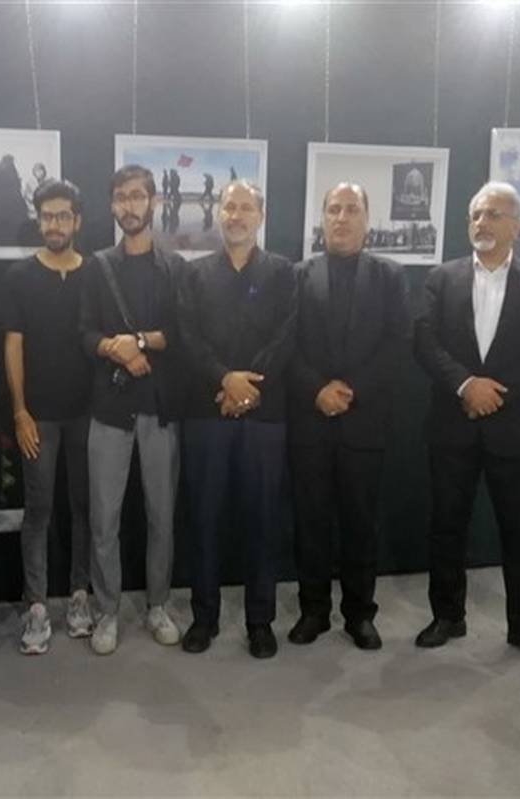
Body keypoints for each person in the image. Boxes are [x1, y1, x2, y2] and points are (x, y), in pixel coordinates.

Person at [412, 181, 520, 667]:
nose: (481, 223)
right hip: (452, 421)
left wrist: (496, 392)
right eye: (475, 215)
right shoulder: (442, 278)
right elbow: (424, 341)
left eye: (493, 215)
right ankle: (447, 616)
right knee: (446, 526)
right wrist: (466, 386)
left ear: (516, 226)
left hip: (512, 426)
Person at [285, 183, 410, 651]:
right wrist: (317, 390)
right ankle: (313, 611)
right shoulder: (298, 276)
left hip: (364, 421)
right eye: (333, 209)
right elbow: (286, 344)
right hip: (310, 420)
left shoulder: (390, 276)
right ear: (322, 218)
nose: (341, 217)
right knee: (310, 522)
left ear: (366, 219)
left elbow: (397, 343)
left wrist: (350, 392)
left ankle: (360, 614)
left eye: (351, 209)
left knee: (361, 524)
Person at [177, 180, 296, 659]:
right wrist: (225, 379)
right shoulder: (194, 274)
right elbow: (187, 337)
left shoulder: (284, 273)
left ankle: (260, 621)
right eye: (230, 207)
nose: (237, 215)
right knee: (203, 519)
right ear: (218, 214)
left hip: (265, 416)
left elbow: (287, 336)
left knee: (262, 521)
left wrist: (247, 390)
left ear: (260, 216)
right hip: (206, 413)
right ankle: (203, 618)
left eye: (246, 207)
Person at [79, 165, 186, 655]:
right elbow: (85, 333)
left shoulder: (175, 268)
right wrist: (114, 349)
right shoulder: (97, 267)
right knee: (105, 519)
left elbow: (180, 334)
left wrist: (138, 340)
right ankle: (106, 611)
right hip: (110, 410)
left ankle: (158, 605)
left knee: (162, 516)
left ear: (154, 202)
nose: (130, 205)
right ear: (112, 206)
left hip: (159, 410)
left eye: (138, 196)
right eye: (122, 197)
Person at [0, 180, 95, 655]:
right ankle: (36, 605)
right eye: (47, 216)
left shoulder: (95, 273)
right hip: (38, 417)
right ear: (38, 221)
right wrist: (19, 411)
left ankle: (79, 595)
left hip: (88, 415)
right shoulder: (19, 277)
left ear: (77, 220)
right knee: (38, 511)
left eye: (62, 216)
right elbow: (12, 345)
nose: (54, 224)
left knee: (84, 508)